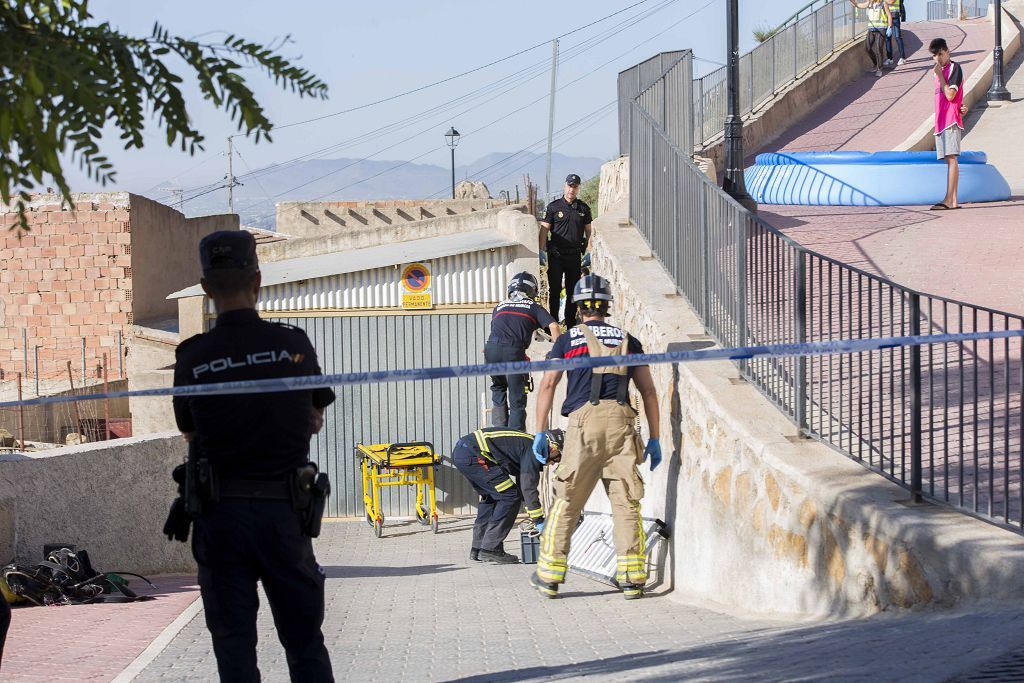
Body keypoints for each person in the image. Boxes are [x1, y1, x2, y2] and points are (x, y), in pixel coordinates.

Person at [171, 231, 335, 682]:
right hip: (284, 514)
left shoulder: (193, 357)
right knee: (305, 643)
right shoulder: (294, 345)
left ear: (206, 288)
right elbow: (316, 416)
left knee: (234, 648)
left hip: (221, 518)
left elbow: (188, 430)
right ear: (257, 279)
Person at [528, 274, 661, 601]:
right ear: (606, 306)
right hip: (621, 424)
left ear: (578, 306)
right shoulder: (628, 339)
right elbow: (648, 392)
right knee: (626, 501)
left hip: (583, 426)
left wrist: (540, 431)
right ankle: (632, 579)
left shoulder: (569, 340)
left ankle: (549, 575)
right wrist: (655, 437)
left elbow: (548, 385)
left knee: (567, 500)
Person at [452, 427, 564, 564]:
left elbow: (524, 486)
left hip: (464, 453)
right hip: (475, 455)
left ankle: (478, 547)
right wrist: (539, 521)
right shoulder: (531, 450)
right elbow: (528, 488)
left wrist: (532, 512)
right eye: (557, 457)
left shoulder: (527, 443)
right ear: (552, 448)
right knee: (509, 496)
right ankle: (490, 549)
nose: (554, 462)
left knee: (492, 498)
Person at [484, 272, 561, 431]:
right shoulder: (533, 307)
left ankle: (499, 432)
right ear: (532, 291)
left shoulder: (499, 306)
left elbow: (497, 331)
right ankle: (515, 436)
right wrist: (559, 350)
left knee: (498, 389)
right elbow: (553, 326)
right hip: (512, 352)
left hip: (491, 350)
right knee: (516, 396)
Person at [539, 174, 593, 329]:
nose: (572, 189)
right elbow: (544, 230)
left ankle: (570, 325)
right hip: (556, 255)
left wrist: (589, 251)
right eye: (570, 186)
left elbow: (589, 232)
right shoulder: (553, 207)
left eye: (575, 187)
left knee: (572, 292)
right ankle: (552, 325)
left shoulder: (583, 208)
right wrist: (541, 250)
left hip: (574, 256)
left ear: (578, 188)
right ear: (565, 186)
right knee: (554, 291)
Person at [929, 38, 969, 211]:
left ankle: (949, 199)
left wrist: (940, 76)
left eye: (940, 54)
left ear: (947, 52)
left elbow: (951, 95)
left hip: (950, 121)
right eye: (935, 56)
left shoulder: (954, 68)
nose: (938, 59)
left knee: (951, 158)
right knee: (948, 159)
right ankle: (951, 200)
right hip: (941, 121)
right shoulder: (940, 71)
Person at [850, 0, 891, 77]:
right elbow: (858, 5)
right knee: (867, 48)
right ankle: (876, 64)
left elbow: (889, 15)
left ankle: (879, 69)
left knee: (878, 49)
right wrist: (852, 1)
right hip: (872, 29)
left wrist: (889, 27)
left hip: (881, 29)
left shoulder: (883, 3)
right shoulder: (869, 3)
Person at [884, 0, 906, 66]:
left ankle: (902, 58)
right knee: (887, 38)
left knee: (897, 37)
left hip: (895, 17)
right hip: (886, 17)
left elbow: (892, 1)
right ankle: (889, 59)